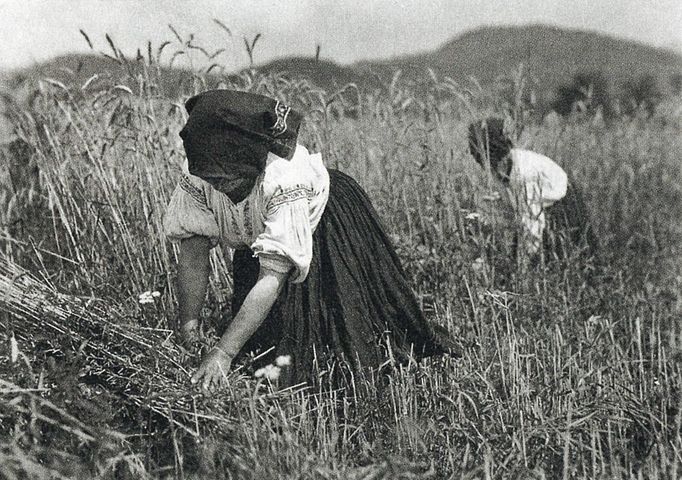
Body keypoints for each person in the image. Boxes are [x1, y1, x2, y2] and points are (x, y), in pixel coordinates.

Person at [164, 89, 452, 390]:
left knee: (328, 352)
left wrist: (223, 352)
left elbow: (272, 276)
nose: (216, 182)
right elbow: (194, 255)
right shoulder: (199, 170)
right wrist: (190, 330)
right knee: (259, 353)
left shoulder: (283, 176)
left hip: (327, 225)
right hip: (260, 235)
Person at [467, 117, 598, 265]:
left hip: (561, 207)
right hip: (536, 207)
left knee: (564, 259)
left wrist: (523, 264)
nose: (485, 167)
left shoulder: (524, 173)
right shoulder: (501, 168)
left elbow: (532, 224)